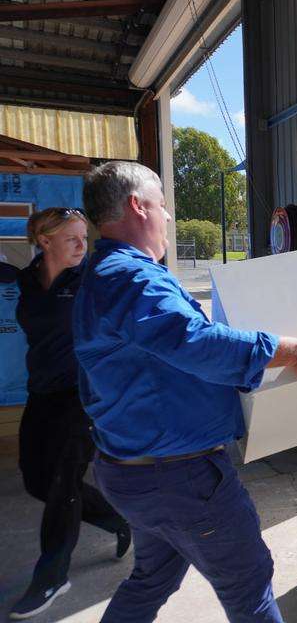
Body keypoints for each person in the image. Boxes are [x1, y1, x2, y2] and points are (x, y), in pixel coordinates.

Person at [73, 161, 297, 623]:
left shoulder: (107, 272)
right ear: (138, 206)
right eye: (162, 205)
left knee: (153, 577)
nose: (169, 218)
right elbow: (193, 343)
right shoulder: (132, 278)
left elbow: (171, 344)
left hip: (132, 469)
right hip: (179, 477)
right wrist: (294, 350)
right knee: (249, 584)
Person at [11, 208, 130, 620]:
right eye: (72, 238)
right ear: (44, 241)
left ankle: (51, 576)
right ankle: (115, 516)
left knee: (62, 485)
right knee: (37, 480)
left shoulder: (91, 281)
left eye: (85, 237)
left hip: (83, 396)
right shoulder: (29, 279)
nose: (83, 245)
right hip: (41, 393)